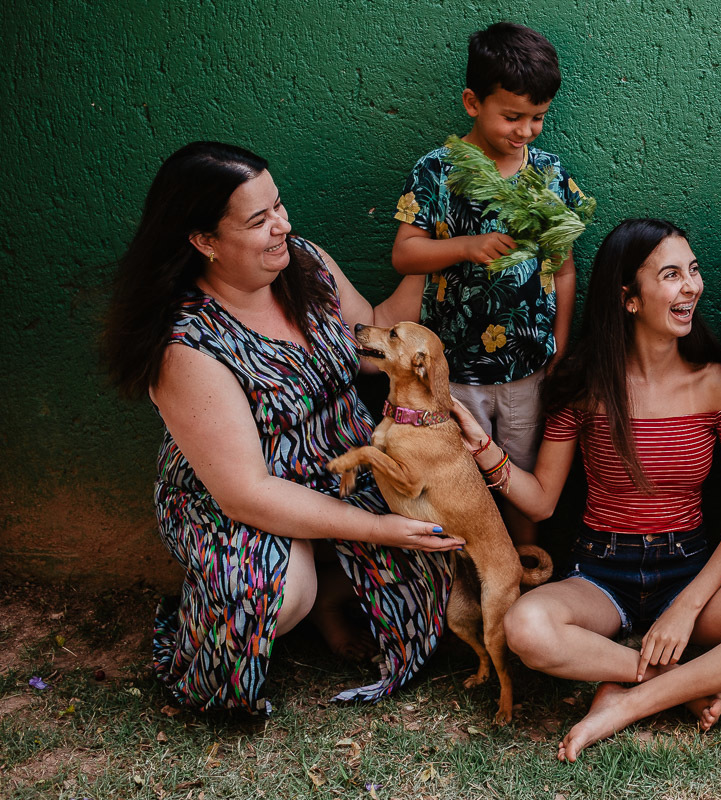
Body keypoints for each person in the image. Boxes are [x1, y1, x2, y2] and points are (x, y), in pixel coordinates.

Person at [103, 141, 465, 714]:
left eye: (279, 206)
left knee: (444, 571)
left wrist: (434, 253)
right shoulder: (187, 345)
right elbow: (247, 491)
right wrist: (380, 531)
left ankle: (328, 578)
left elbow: (373, 333)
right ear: (204, 241)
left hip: (343, 471)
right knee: (275, 595)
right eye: (259, 219)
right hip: (238, 500)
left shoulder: (306, 263)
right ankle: (268, 591)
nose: (282, 226)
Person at [452, 219, 721, 762]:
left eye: (694, 272)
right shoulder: (585, 388)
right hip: (601, 572)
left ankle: (630, 703)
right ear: (629, 298)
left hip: (689, 570)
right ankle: (674, 678)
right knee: (526, 627)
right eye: (672, 275)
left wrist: (686, 609)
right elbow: (542, 502)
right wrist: (483, 450)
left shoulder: (719, 383)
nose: (692, 287)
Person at [390, 21, 588, 548]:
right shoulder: (436, 171)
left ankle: (524, 571)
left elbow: (563, 268)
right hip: (455, 370)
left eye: (538, 118)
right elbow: (404, 254)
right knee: (461, 480)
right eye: (512, 117)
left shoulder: (547, 175)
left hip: (528, 368)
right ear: (473, 102)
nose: (525, 131)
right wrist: (467, 246)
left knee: (519, 477)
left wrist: (561, 346)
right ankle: (468, 578)